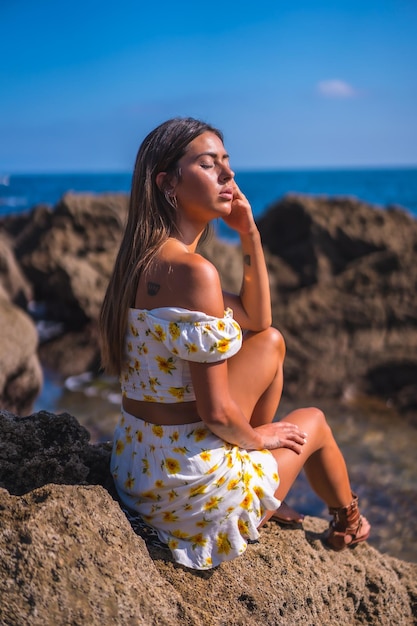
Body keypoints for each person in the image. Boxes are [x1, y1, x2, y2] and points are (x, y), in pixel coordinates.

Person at [99, 117, 370, 570]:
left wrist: (250, 233)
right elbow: (218, 412)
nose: (228, 176)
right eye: (209, 165)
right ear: (168, 183)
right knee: (315, 423)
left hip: (136, 469)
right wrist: (260, 437)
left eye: (227, 163)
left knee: (271, 342)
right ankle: (348, 522)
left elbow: (259, 320)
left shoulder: (145, 259)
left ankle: (257, 480)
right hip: (185, 493)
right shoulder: (194, 273)